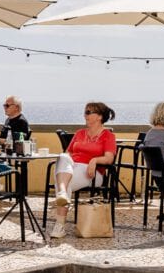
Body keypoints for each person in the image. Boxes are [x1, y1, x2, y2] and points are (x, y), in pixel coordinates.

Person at [49, 102, 117, 239]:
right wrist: (70, 162)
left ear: (99, 116)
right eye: (85, 112)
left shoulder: (108, 136)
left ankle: (60, 220)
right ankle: (62, 196)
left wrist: (94, 160)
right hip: (72, 169)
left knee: (62, 181)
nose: (85, 115)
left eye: (88, 112)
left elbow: (109, 159)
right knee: (62, 156)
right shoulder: (80, 133)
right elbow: (68, 153)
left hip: (93, 173)